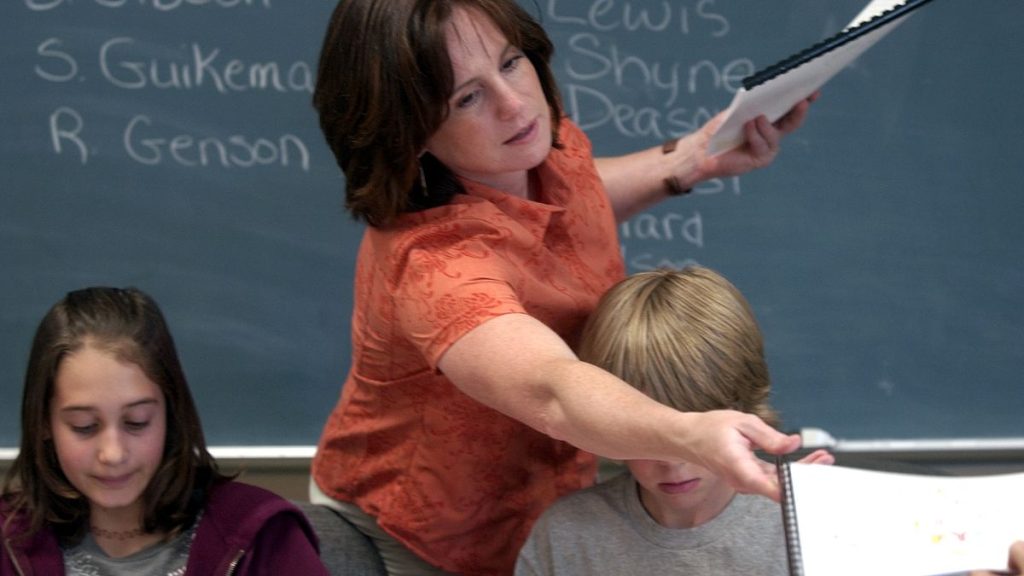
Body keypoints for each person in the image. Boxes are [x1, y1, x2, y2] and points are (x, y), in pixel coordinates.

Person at [310, 1, 817, 574]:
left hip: (549, 504)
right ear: (410, 131)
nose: (514, 104)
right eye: (467, 98)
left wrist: (696, 157)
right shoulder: (436, 265)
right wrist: (687, 434)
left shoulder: (535, 145)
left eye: (510, 63)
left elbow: (580, 197)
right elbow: (551, 390)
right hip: (428, 533)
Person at [514, 266, 834, 575]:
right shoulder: (567, 536)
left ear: (741, 408)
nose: (671, 463)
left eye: (697, 427)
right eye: (648, 432)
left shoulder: (810, 529)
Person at [0, 287, 330, 576]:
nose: (113, 453)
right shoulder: (7, 540)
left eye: (137, 422)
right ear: (44, 424)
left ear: (170, 413)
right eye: (84, 427)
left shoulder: (263, 536)